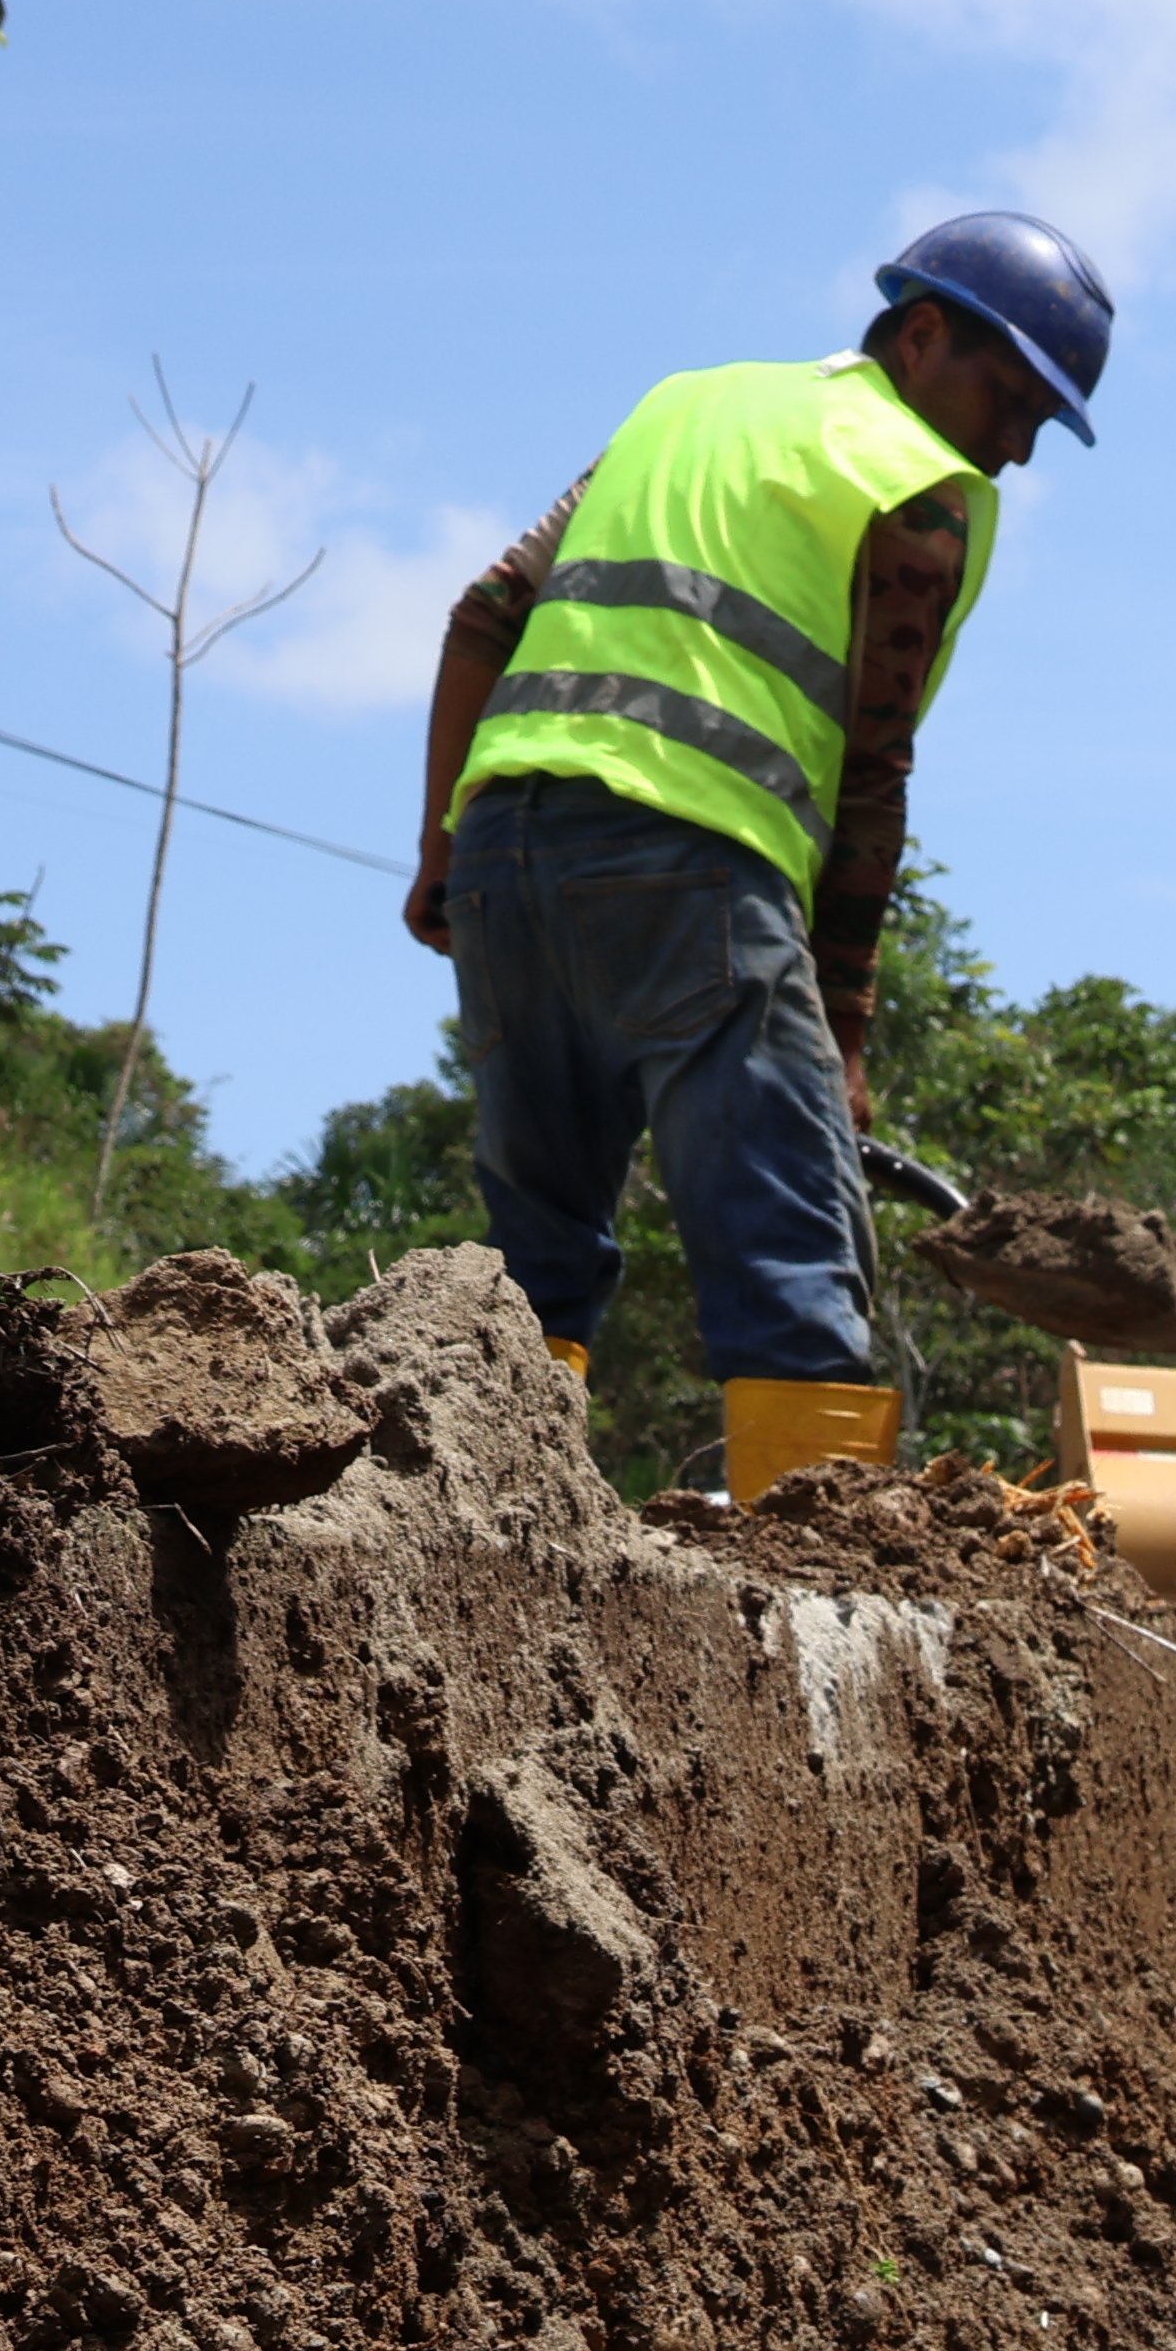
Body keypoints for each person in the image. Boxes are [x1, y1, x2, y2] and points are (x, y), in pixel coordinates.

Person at [408, 212, 1113, 1504]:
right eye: (1009, 400)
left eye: (1040, 427)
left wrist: (444, 845)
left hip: (506, 853)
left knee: (535, 1265)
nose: (1015, 449)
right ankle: (824, 1586)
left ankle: (503, 1550)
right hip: (694, 865)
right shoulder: (922, 492)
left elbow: (484, 613)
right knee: (794, 1255)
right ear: (920, 334)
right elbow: (873, 770)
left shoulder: (685, 405)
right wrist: (842, 1030)